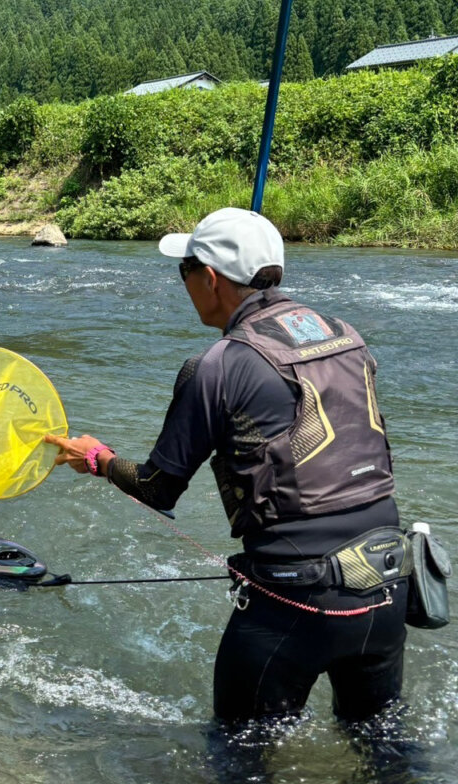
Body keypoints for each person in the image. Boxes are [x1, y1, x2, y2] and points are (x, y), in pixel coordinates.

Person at [45, 207, 408, 727]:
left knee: (241, 761)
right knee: (384, 749)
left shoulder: (215, 366)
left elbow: (157, 488)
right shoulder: (344, 333)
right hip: (388, 582)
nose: (185, 283)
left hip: (296, 600)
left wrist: (98, 459)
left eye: (184, 271)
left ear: (210, 278)